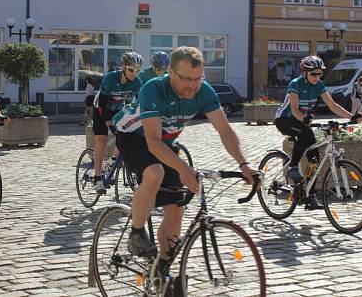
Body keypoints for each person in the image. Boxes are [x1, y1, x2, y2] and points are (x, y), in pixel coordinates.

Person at [112, 46, 257, 276]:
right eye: (186, 78)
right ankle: (136, 233)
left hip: (165, 141)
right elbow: (152, 142)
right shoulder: (153, 89)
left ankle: (163, 272)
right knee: (155, 173)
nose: (193, 85)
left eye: (198, 78)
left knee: (176, 209)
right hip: (134, 136)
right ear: (169, 71)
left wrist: (244, 164)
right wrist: (184, 168)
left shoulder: (204, 91)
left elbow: (225, 130)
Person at [274, 55, 362, 210]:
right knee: (305, 134)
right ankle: (292, 167)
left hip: (303, 121)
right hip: (285, 119)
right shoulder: (295, 84)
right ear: (305, 73)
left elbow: (332, 105)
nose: (317, 77)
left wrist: (352, 117)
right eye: (313, 74)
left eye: (319, 73)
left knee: (314, 158)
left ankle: (309, 195)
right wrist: (304, 120)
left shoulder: (319, 85)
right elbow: (294, 109)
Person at [92, 52, 143, 194]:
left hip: (117, 110)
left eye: (137, 71)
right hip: (101, 109)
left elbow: (140, 103)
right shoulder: (110, 78)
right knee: (101, 140)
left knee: (125, 136)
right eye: (131, 70)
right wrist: (107, 122)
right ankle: (97, 177)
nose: (134, 73)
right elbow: (102, 103)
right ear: (124, 68)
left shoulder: (137, 82)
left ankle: (111, 163)